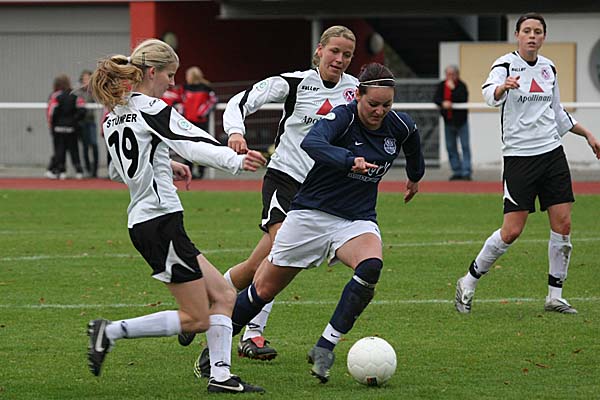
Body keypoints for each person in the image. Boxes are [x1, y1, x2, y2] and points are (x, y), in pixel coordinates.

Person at [224, 62, 424, 383]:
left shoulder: (398, 124)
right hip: (310, 215)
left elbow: (412, 141)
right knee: (263, 288)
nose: (379, 111)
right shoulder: (343, 117)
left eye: (387, 105)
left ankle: (325, 346)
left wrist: (415, 177)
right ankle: (217, 346)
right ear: (358, 96)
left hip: (356, 219)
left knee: (371, 266)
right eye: (373, 104)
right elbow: (312, 143)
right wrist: (348, 160)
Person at [86, 38, 267, 394]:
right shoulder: (152, 107)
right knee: (197, 318)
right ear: (152, 72)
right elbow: (192, 141)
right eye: (169, 75)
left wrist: (165, 164)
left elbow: (117, 171)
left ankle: (221, 377)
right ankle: (110, 331)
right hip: (159, 222)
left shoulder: (113, 117)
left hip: (150, 222)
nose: (172, 82)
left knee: (224, 295)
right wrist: (235, 159)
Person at [186, 26, 360, 371]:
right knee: (283, 252)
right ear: (319, 50)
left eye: (347, 54)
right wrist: (236, 132)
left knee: (255, 266)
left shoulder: (355, 90)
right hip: (285, 180)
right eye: (334, 51)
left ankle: (203, 304)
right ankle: (252, 333)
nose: (339, 59)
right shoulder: (294, 83)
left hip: (321, 192)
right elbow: (240, 101)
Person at [455, 12, 600, 315]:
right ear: (517, 35)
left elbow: (557, 112)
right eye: (527, 31)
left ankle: (555, 296)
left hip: (552, 154)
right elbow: (488, 95)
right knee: (511, 231)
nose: (532, 36)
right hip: (519, 158)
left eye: (537, 31)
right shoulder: (504, 65)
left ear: (543, 37)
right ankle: (468, 281)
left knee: (563, 224)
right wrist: (503, 87)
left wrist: (587, 134)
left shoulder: (549, 68)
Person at [433, 65, 472, 180]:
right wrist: (443, 103)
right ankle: (457, 171)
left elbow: (462, 98)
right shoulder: (442, 85)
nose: (450, 77)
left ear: (457, 75)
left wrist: (453, 89)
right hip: (448, 122)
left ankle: (466, 172)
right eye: (448, 74)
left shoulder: (461, 86)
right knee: (450, 147)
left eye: (452, 74)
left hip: (461, 122)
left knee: (465, 146)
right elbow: (436, 98)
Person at [179, 66, 218, 179]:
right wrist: (181, 115)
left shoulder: (206, 88)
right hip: (186, 123)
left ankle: (200, 172)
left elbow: (213, 101)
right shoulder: (184, 88)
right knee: (186, 147)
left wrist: (202, 112)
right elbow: (180, 101)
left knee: (201, 147)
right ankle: (188, 171)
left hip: (201, 122)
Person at [45, 74, 86, 179]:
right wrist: (74, 120)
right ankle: (79, 171)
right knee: (74, 150)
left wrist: (51, 124)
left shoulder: (54, 96)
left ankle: (62, 171)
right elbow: (82, 109)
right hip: (71, 128)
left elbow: (51, 112)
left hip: (58, 128)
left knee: (59, 150)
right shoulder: (74, 95)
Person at [73, 70, 100, 178]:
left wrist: (91, 89)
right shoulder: (78, 91)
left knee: (94, 144)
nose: (86, 81)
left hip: (91, 121)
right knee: (85, 146)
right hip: (82, 122)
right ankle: (87, 169)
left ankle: (95, 170)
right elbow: (76, 100)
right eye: (84, 79)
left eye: (88, 79)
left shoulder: (93, 90)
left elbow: (98, 100)